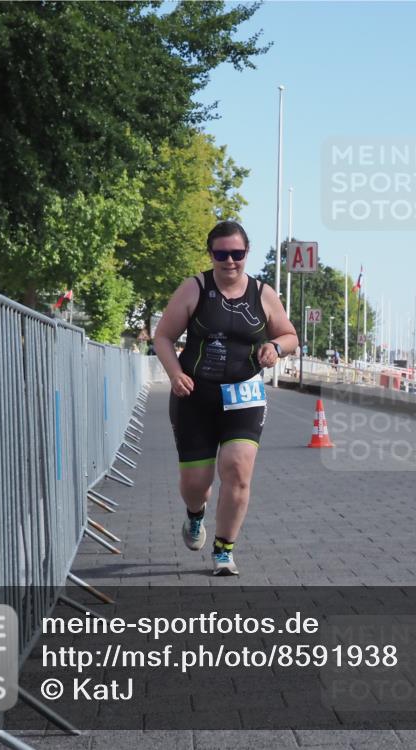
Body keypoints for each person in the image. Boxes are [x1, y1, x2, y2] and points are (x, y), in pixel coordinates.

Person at [153, 221, 298, 575]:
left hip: (244, 395)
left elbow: (290, 335)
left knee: (237, 469)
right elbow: (163, 337)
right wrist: (175, 374)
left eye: (237, 253)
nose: (230, 261)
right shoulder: (195, 288)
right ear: (211, 254)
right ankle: (195, 514)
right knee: (195, 485)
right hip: (195, 397)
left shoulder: (263, 293)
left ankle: (223, 550)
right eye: (221, 254)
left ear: (247, 253)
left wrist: (275, 347)